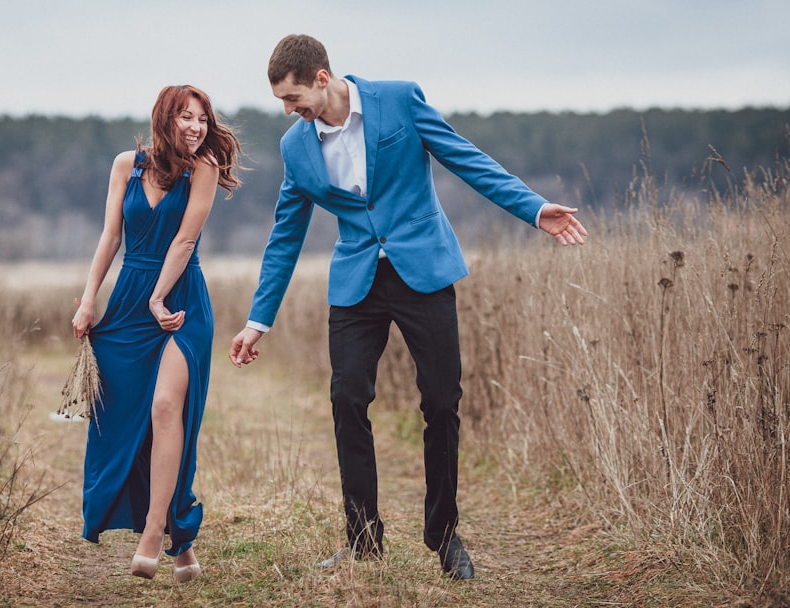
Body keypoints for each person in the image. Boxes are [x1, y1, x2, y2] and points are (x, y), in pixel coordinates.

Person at [229, 34, 587, 580]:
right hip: (356, 283)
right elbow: (285, 234)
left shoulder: (398, 100)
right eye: (281, 100)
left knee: (441, 403)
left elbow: (464, 158)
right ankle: (364, 538)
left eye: (292, 97)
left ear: (322, 79)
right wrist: (259, 320)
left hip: (424, 271)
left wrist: (534, 209)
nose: (287, 110)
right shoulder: (294, 146)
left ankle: (444, 535)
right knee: (348, 399)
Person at [72, 84, 241, 583]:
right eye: (186, 117)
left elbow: (186, 238)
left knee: (167, 408)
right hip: (127, 303)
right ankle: (180, 538)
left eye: (203, 120)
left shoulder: (204, 167)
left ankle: (152, 532)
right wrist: (88, 300)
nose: (196, 128)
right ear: (163, 119)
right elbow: (110, 236)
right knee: (130, 422)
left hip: (181, 300)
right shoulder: (127, 164)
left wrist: (159, 297)